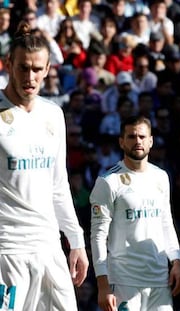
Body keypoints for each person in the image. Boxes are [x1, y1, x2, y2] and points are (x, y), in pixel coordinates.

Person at [0, 21, 89, 310]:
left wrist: (76, 240)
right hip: (8, 251)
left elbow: (58, 184)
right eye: (23, 67)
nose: (30, 76)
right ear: (8, 64)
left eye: (37, 69)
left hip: (49, 248)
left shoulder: (53, 114)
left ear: (48, 68)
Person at [90, 115, 180, 310]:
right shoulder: (108, 182)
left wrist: (176, 260)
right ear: (121, 142)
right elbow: (98, 236)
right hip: (124, 281)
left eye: (142, 137)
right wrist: (103, 285)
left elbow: (166, 223)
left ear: (151, 141)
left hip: (160, 280)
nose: (137, 141)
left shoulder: (161, 177)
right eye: (132, 137)